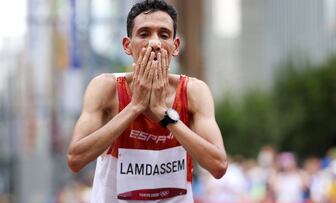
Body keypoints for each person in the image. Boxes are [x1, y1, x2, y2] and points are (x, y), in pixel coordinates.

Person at [66, 0, 228, 202]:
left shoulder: (193, 91)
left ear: (175, 46)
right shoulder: (106, 88)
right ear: (127, 45)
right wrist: (134, 107)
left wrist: (164, 114)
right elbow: (75, 159)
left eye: (164, 35)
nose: (154, 43)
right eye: (144, 34)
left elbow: (219, 166)